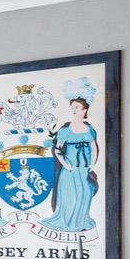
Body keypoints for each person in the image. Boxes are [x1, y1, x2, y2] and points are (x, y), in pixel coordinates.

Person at [44, 94, 99, 232]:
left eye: (77, 107)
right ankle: (67, 222)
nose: (74, 110)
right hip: (70, 168)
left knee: (86, 192)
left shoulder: (88, 129)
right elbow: (57, 149)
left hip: (84, 168)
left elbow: (93, 148)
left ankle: (81, 220)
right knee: (69, 196)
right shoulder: (65, 130)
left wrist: (92, 165)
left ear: (84, 110)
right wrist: (65, 164)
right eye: (72, 107)